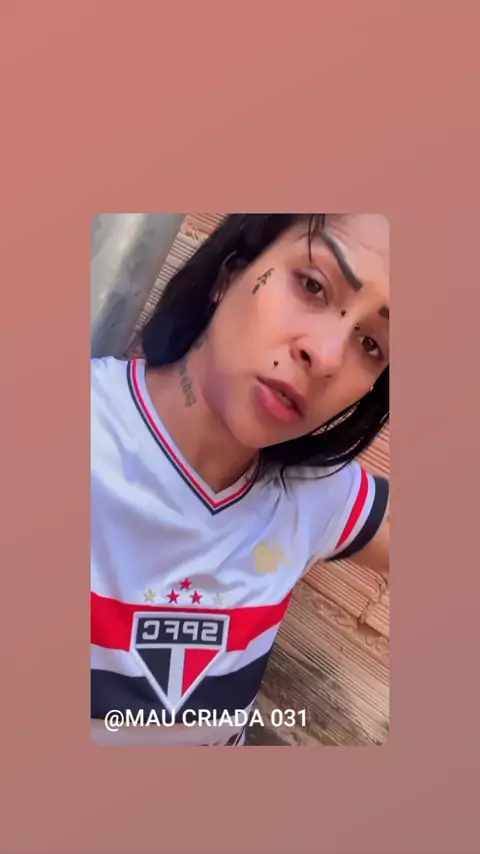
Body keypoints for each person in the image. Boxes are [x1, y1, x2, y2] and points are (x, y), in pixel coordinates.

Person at [90, 213, 390, 746]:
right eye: (313, 285)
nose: (325, 357)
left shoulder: (314, 497)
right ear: (230, 274)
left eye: (371, 345)